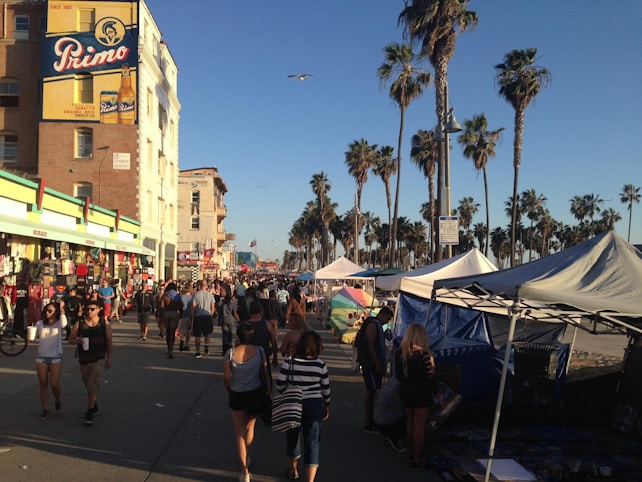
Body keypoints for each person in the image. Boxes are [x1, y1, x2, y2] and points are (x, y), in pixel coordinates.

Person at [276, 331, 331, 482]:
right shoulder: (321, 365)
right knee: (312, 442)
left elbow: (280, 385)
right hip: (314, 405)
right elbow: (326, 389)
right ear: (318, 347)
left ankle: (294, 471)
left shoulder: (290, 362)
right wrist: (326, 405)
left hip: (294, 404)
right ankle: (310, 480)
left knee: (293, 439)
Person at [223, 323, 272, 482]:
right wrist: (269, 393)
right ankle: (247, 455)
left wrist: (229, 390)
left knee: (239, 432)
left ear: (238, 336)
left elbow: (226, 377)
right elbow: (265, 373)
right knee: (250, 427)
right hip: (255, 393)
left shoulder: (230, 353)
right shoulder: (259, 351)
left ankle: (245, 471)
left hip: (237, 393)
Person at [395, 323, 436, 470]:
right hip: (421, 394)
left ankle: (412, 452)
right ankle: (418, 458)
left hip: (406, 392)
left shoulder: (400, 354)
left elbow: (399, 375)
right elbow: (430, 378)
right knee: (420, 426)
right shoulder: (425, 355)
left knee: (410, 423)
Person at [68, 299, 113, 426]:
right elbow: (70, 339)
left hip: (98, 357)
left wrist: (109, 357)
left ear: (99, 310)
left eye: (92, 309)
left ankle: (89, 412)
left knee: (93, 383)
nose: (89, 311)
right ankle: (94, 405)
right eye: (88, 309)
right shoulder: (80, 324)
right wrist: (77, 340)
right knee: (87, 383)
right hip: (84, 358)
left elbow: (109, 341)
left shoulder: (105, 323)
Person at [361, 306, 394, 433]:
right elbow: (371, 346)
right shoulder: (373, 325)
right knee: (371, 391)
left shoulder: (375, 324)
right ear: (383, 315)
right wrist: (377, 363)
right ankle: (368, 423)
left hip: (372, 363)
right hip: (370, 364)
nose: (387, 322)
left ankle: (370, 421)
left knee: (372, 391)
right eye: (387, 319)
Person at [34, 300, 68, 420]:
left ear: (56, 312)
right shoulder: (39, 324)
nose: (47, 313)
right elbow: (34, 336)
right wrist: (32, 336)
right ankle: (45, 409)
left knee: (54, 384)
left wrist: (62, 309)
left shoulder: (59, 323)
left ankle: (57, 400)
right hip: (41, 357)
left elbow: (64, 324)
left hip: (55, 357)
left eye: (50, 311)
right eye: (46, 311)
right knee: (43, 384)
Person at [247, 301, 279, 372]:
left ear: (249, 312)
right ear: (261, 312)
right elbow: (274, 341)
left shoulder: (245, 325)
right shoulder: (267, 324)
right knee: (265, 376)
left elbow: (238, 343)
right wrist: (275, 356)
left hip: (248, 356)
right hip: (264, 355)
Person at [191, 280, 216, 358]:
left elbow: (193, 306)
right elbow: (213, 308)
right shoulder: (210, 295)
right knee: (207, 332)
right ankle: (206, 346)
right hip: (207, 315)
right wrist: (210, 315)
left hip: (198, 316)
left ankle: (198, 351)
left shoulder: (196, 295)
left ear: (199, 286)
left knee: (197, 335)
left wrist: (191, 316)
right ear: (206, 286)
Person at [160, 282, 182, 358]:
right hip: (174, 314)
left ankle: (168, 348)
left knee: (168, 331)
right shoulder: (177, 296)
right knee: (172, 332)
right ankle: (171, 349)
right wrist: (181, 315)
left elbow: (161, 307)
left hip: (166, 314)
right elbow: (181, 306)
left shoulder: (165, 295)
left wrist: (161, 316)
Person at [218, 285, 240, 355]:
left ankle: (224, 350)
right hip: (231, 321)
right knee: (230, 335)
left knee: (225, 335)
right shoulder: (232, 303)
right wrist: (238, 319)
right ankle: (229, 350)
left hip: (224, 320)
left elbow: (218, 309)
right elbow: (234, 313)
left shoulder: (222, 302)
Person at [178, 286, 193, 352]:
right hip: (189, 315)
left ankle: (181, 341)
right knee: (188, 330)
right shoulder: (192, 298)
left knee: (182, 330)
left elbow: (178, 307)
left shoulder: (181, 297)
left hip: (182, 315)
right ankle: (186, 344)